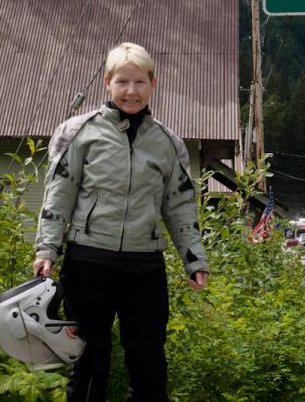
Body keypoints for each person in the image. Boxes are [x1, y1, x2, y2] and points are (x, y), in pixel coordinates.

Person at [33, 41, 209, 402]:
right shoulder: (78, 133)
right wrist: (47, 248)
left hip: (144, 265)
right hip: (88, 261)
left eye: (140, 82)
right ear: (108, 84)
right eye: (123, 82)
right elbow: (59, 195)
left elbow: (179, 206)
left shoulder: (167, 143)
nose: (131, 91)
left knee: (149, 362)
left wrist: (194, 259)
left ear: (153, 84)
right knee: (90, 360)